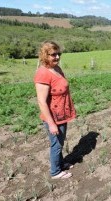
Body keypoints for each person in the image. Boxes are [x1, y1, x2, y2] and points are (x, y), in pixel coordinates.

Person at [34, 41, 76, 179]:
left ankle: (60, 163)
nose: (57, 57)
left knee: (60, 142)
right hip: (53, 117)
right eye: (53, 55)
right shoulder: (43, 73)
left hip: (62, 114)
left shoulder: (56, 69)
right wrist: (51, 123)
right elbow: (41, 101)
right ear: (45, 55)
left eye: (59, 54)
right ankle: (55, 172)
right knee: (56, 144)